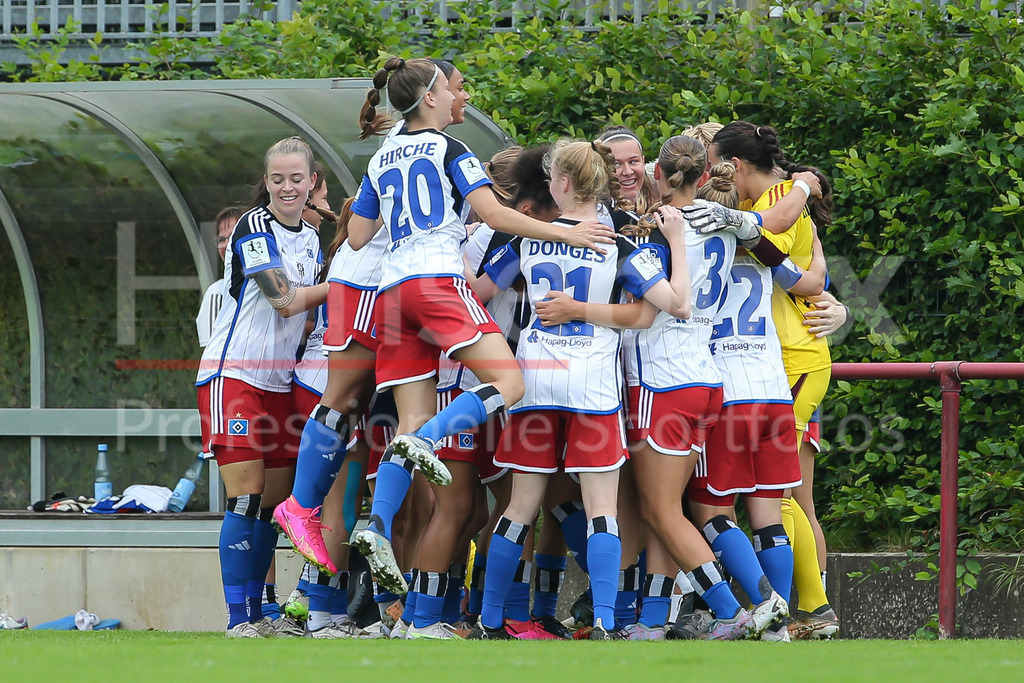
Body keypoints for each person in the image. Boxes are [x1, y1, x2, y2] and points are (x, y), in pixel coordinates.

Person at [343, 57, 615, 597]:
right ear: (430, 97)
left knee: (412, 418)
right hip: (435, 281)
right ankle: (429, 442)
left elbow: (355, 236)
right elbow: (493, 214)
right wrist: (566, 234)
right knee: (509, 383)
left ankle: (376, 524)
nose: (460, 96)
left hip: (392, 295)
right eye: (455, 88)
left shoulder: (381, 156)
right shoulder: (450, 149)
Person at [470, 138, 694, 641]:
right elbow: (676, 305)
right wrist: (677, 242)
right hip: (593, 385)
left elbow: (478, 292)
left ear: (564, 183)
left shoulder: (528, 240)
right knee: (602, 509)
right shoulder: (619, 245)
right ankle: (607, 623)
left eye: (551, 178)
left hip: (534, 381)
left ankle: (489, 620)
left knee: (519, 508)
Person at [703, 120, 839, 637]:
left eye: (716, 165)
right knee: (784, 494)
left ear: (735, 164)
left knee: (780, 495)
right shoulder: (772, 198)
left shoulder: (778, 199)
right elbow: (809, 275)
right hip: (780, 358)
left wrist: (803, 185)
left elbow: (776, 240)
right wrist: (817, 278)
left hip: (793, 356)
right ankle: (804, 610)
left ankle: (811, 610)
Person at [196, 136, 328, 638]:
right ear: (266, 182)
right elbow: (283, 300)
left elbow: (306, 315)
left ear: (311, 181)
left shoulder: (312, 238)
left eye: (296, 178)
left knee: (272, 506)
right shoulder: (254, 225)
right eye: (277, 179)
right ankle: (238, 619)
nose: (287, 187)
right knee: (246, 500)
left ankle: (259, 612)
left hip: (280, 382)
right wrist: (348, 285)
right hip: (235, 376)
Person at [196, 206, 242, 348]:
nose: (227, 245)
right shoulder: (217, 292)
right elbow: (213, 352)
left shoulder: (269, 286)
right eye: (222, 239)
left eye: (233, 236)